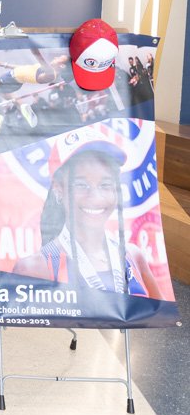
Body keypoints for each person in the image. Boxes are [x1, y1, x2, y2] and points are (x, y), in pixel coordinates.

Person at [14, 126, 162, 299]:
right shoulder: (33, 268)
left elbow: (159, 314)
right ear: (58, 189)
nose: (96, 197)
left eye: (106, 185)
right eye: (81, 185)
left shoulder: (133, 255)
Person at [0, 52, 69, 139]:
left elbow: (37, 55)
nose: (57, 57)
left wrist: (29, 42)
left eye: (60, 57)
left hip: (8, 81)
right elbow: (21, 68)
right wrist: (0, 63)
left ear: (62, 65)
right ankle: (23, 108)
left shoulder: (50, 73)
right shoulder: (46, 70)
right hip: (12, 80)